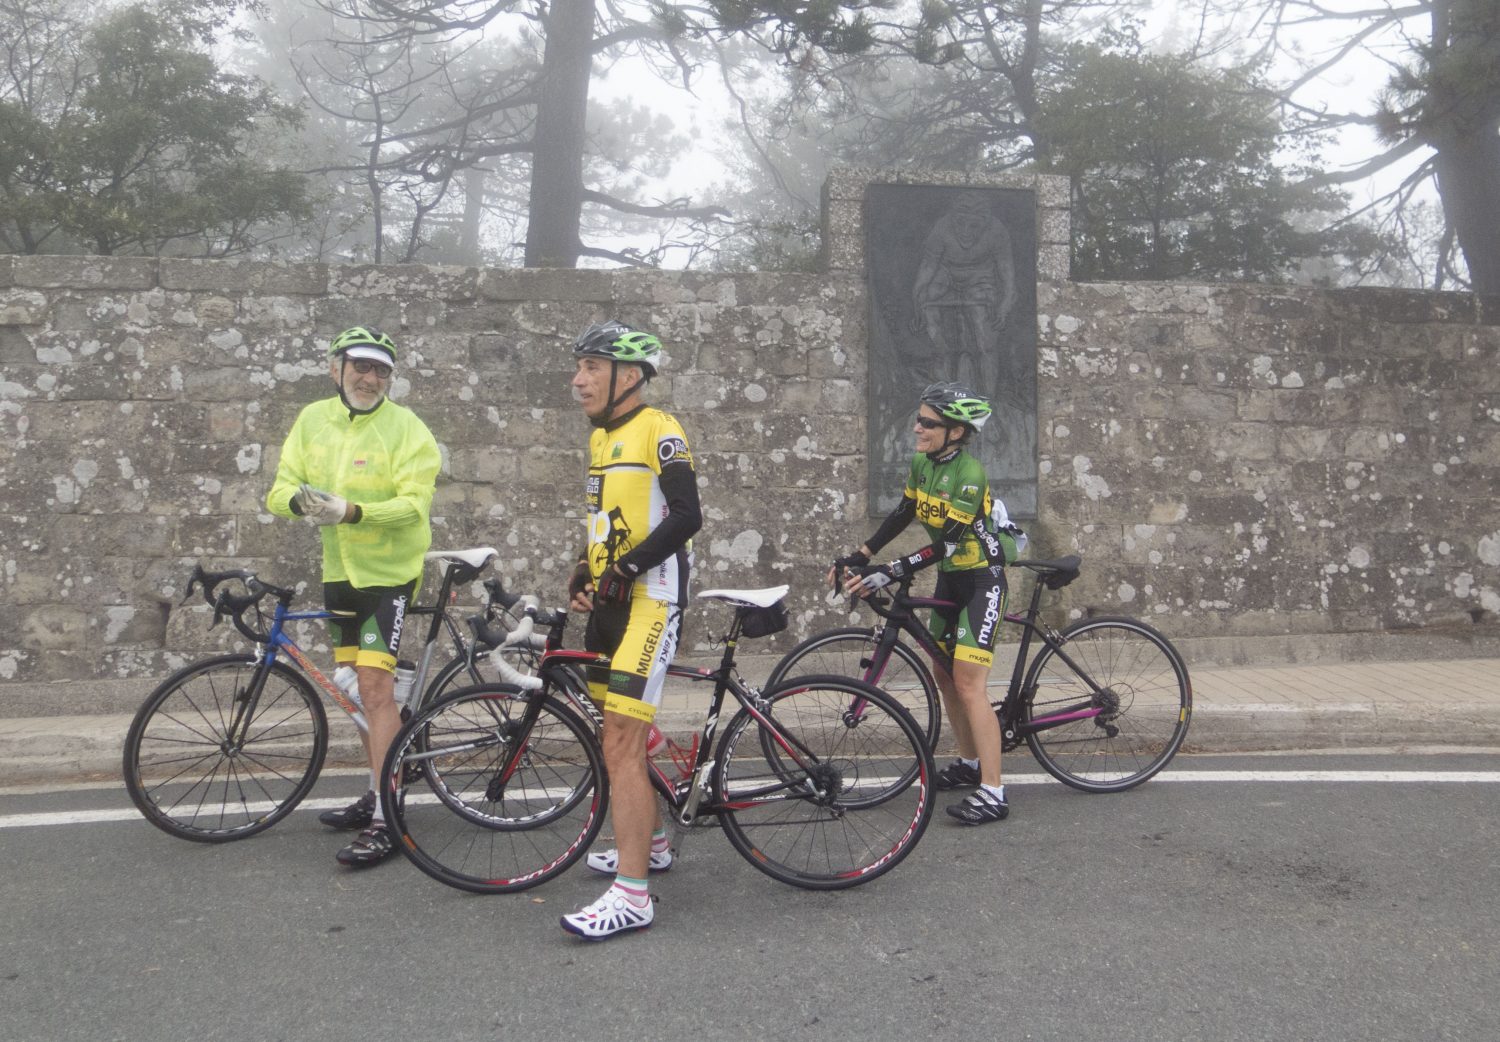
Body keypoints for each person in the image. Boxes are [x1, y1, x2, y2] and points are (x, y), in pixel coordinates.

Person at [266, 326, 441, 866]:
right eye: (361, 367)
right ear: (335, 367)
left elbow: (415, 505)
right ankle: (379, 785)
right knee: (361, 695)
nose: (370, 378)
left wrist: (352, 511)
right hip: (339, 570)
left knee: (374, 686)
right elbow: (278, 489)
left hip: (389, 573)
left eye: (382, 370)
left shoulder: (407, 428)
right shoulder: (312, 420)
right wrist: (302, 503)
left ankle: (390, 820)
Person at [561, 320, 701, 940]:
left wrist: (628, 567)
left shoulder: (658, 428)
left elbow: (687, 516)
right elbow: (607, 518)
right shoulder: (600, 440)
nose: (579, 379)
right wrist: (585, 570)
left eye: (592, 367)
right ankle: (655, 842)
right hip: (612, 600)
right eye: (580, 367)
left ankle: (634, 896)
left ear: (630, 375)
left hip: (652, 597)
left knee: (620, 737)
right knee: (620, 734)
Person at [835, 382, 1020, 826]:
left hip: (981, 578)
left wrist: (892, 570)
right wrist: (861, 554)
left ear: (955, 432)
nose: (917, 428)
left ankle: (994, 791)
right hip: (952, 579)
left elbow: (950, 544)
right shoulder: (922, 463)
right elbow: (904, 512)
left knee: (969, 682)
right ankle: (971, 763)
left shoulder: (970, 475)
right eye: (918, 419)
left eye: (928, 423)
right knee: (943, 674)